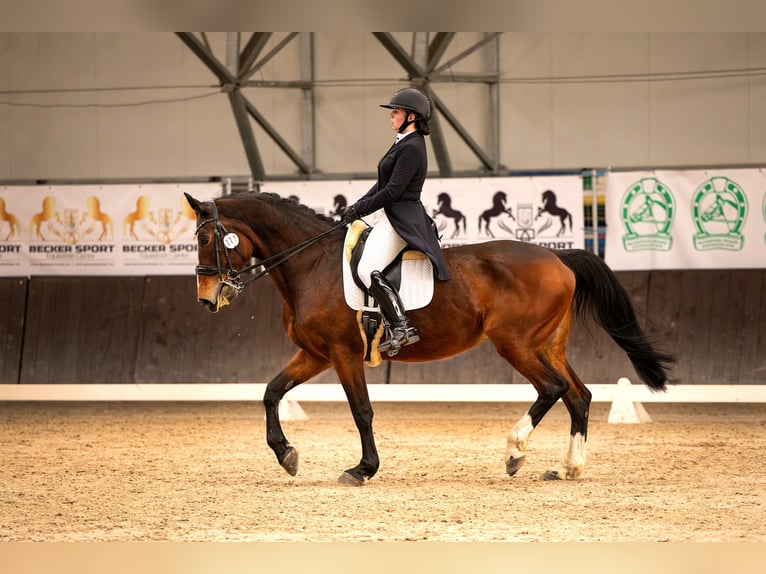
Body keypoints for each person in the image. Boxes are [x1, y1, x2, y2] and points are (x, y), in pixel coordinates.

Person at [343, 87, 450, 354]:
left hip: (401, 219)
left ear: (411, 117)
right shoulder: (402, 141)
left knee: (367, 270)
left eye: (397, 112)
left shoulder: (413, 147)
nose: (391, 116)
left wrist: (361, 208)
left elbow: (393, 192)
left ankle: (401, 326)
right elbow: (382, 184)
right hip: (388, 213)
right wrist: (357, 207)